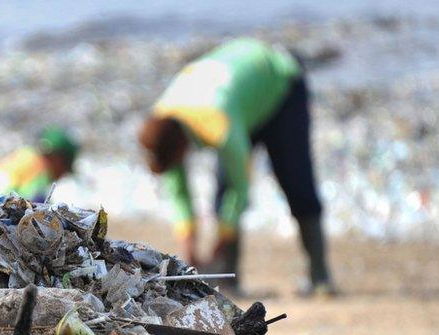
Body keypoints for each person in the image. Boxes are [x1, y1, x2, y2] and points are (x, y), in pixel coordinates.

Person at [138, 38, 334, 295]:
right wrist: (189, 250)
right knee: (222, 195)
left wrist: (220, 239)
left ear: (182, 147)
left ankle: (320, 278)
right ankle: (228, 280)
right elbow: (176, 188)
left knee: (295, 183)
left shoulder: (218, 124)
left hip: (279, 87)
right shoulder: (162, 121)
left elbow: (240, 186)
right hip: (238, 93)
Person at [0, 126, 79, 202]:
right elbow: (32, 201)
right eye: (65, 169)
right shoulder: (41, 170)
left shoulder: (26, 153)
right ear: (58, 160)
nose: (61, 176)